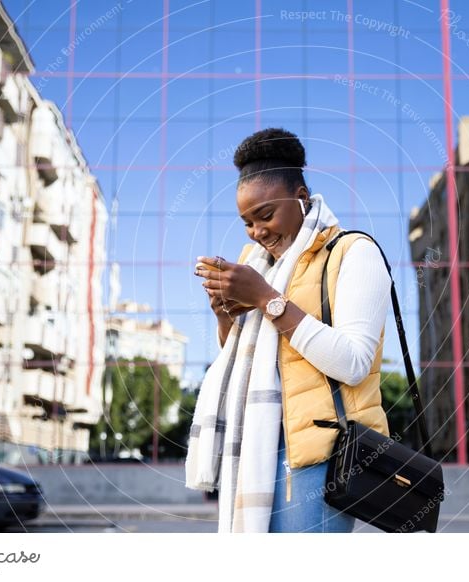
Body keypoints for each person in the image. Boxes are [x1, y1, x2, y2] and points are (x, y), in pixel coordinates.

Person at [186, 128, 392, 533]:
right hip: (255, 450)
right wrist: (225, 315)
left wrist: (266, 299)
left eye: (265, 215)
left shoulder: (354, 252)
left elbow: (353, 363)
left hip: (317, 456)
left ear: (300, 197)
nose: (257, 232)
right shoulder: (259, 267)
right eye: (247, 222)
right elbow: (240, 361)